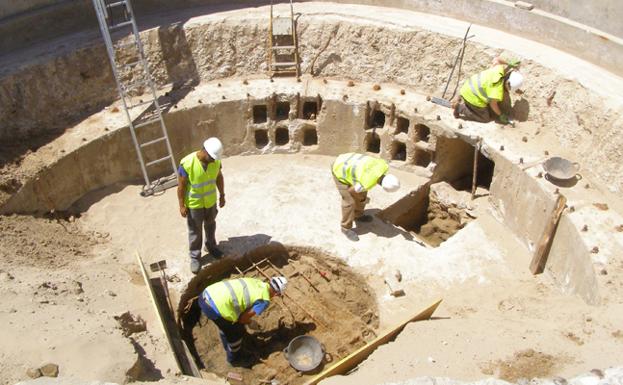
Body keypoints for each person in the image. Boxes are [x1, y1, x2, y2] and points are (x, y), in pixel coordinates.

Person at [198, 276, 288, 367]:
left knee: (226, 326)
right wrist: (250, 322)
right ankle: (234, 359)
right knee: (237, 331)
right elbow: (242, 319)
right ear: (277, 293)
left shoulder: (256, 281)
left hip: (206, 294)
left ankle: (226, 340)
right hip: (214, 309)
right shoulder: (264, 300)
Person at [177, 137, 226, 274]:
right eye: (211, 157)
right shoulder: (187, 163)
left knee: (211, 225)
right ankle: (195, 257)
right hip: (194, 205)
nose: (213, 160)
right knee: (195, 231)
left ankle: (211, 247)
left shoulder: (215, 161)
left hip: (210, 202)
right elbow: (181, 186)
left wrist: (222, 195)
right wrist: (181, 205)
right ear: (204, 151)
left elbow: (219, 177)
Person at [331, 153, 400, 241]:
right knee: (349, 202)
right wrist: (360, 199)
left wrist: (361, 198)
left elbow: (362, 186)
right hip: (338, 168)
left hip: (347, 160)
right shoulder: (367, 182)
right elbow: (351, 191)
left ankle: (358, 215)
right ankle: (345, 228)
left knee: (362, 194)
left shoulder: (383, 166)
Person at [453, 56, 523, 124]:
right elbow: (493, 104)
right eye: (509, 88)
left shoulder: (499, 70)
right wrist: (501, 115)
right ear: (507, 84)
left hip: (467, 86)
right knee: (485, 118)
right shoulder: (497, 90)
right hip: (472, 96)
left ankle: (464, 102)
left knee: (485, 108)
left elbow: (497, 59)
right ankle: (459, 108)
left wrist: (509, 64)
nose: (508, 90)